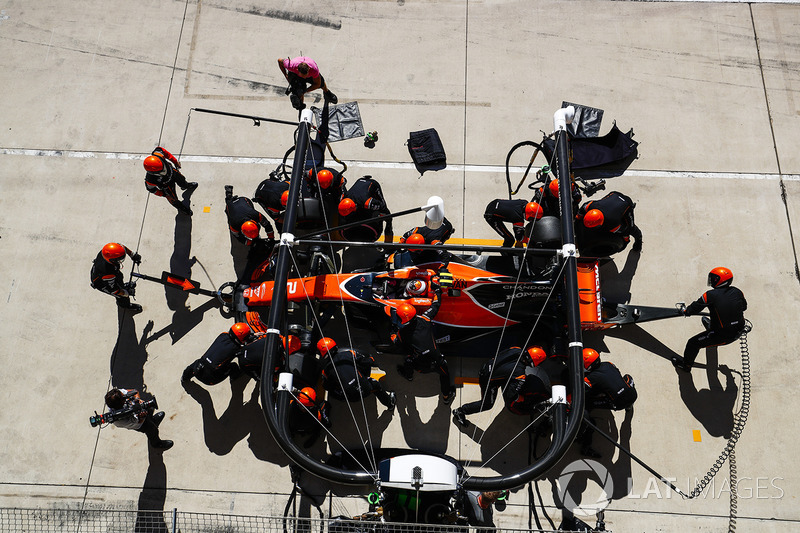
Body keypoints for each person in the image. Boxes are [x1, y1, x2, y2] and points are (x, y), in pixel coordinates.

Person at [390, 278, 456, 404]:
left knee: (408, 359)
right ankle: (446, 397)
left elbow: (395, 341)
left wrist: (392, 331)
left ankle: (409, 376)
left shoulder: (402, 333)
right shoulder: (425, 319)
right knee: (445, 375)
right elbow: (436, 305)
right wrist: (437, 290)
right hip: (438, 361)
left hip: (420, 367)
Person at [452, 346, 554, 427]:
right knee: (487, 405)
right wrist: (523, 399)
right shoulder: (519, 374)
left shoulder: (516, 349)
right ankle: (460, 411)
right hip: (488, 381)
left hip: (487, 367)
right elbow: (511, 395)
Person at [673, 267, 748, 372]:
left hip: (723, 336)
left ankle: (686, 366)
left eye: (713, 278)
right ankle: (712, 327)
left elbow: (693, 309)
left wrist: (685, 311)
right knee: (717, 315)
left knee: (692, 343)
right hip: (739, 330)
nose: (711, 280)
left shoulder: (709, 295)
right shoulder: (738, 292)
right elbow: (744, 307)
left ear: (720, 280)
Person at [578, 348, 637, 457]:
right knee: (626, 378)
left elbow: (582, 391)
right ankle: (629, 406)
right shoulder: (609, 364)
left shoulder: (590, 378)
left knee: (588, 403)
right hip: (632, 393)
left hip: (618, 403)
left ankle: (585, 444)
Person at [317, 337, 397, 411]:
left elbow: (327, 386)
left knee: (332, 388)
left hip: (349, 397)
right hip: (365, 389)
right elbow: (367, 362)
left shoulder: (325, 371)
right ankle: (390, 403)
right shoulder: (349, 354)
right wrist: (371, 359)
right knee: (375, 384)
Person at [181, 323, 254, 385]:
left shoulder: (223, 335)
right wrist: (252, 338)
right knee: (233, 366)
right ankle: (234, 377)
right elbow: (245, 349)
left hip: (197, 368)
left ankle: (184, 378)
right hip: (210, 379)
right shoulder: (236, 349)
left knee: (194, 365)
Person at [104, 388, 173, 450]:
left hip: (138, 412)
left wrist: (137, 400)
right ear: (121, 403)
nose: (125, 396)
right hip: (140, 424)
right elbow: (138, 421)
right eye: (124, 398)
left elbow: (134, 391)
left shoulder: (117, 394)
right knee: (152, 430)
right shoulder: (119, 421)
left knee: (150, 411)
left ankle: (153, 421)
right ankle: (156, 443)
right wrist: (141, 415)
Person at [576, 190, 642, 254]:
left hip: (626, 203)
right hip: (614, 194)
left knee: (631, 228)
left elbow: (625, 231)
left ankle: (639, 239)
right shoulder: (589, 206)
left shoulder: (612, 223)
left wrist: (625, 243)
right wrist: (576, 219)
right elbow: (580, 214)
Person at [337, 176, 393, 243]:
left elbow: (383, 208)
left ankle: (388, 244)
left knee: (388, 218)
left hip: (372, 185)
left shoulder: (368, 203)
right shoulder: (343, 198)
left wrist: (387, 219)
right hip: (359, 190)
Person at [143, 146, 197, 216]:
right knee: (173, 199)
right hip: (166, 185)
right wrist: (164, 195)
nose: (164, 170)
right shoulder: (150, 180)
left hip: (173, 172)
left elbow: (166, 153)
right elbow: (152, 189)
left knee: (182, 180)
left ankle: (186, 186)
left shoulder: (158, 153)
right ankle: (181, 208)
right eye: (161, 171)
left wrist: (175, 162)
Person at [90, 242, 143, 313]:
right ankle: (125, 305)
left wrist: (132, 255)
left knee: (119, 277)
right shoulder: (107, 272)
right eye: (119, 260)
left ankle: (122, 286)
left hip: (109, 275)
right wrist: (125, 293)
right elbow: (114, 290)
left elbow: (122, 248)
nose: (120, 261)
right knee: (121, 296)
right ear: (112, 260)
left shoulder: (107, 252)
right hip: (103, 284)